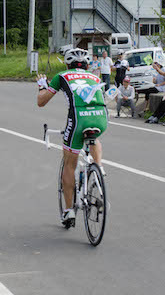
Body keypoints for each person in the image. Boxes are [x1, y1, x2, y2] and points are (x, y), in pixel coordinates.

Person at [36, 48, 107, 227]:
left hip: (78, 120)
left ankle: (69, 211)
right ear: (87, 65)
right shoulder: (95, 77)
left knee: (69, 162)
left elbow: (41, 101)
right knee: (95, 138)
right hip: (101, 117)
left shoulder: (62, 76)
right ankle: (98, 169)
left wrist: (42, 86)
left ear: (68, 64)